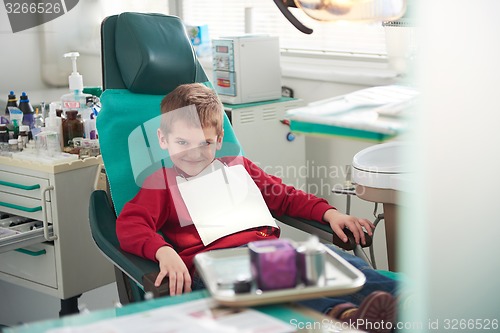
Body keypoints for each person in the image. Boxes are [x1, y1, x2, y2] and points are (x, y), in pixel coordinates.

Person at [116, 83, 398, 332]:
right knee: (283, 285)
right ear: (163, 140)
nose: (194, 152)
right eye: (182, 142)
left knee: (333, 260)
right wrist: (163, 251)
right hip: (217, 266)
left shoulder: (238, 168)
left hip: (271, 253)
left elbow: (285, 197)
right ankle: (342, 316)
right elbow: (131, 224)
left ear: (219, 138)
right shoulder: (162, 183)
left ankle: (401, 297)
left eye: (206, 143)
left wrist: (330, 213)